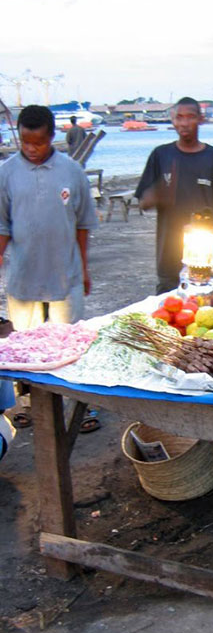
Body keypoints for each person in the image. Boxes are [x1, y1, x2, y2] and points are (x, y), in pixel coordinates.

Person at [0, 104, 99, 430]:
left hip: (64, 274)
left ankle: (80, 408)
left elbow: (83, 224)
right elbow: (2, 226)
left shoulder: (71, 171)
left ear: (52, 137)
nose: (32, 149)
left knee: (70, 343)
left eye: (39, 143)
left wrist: (83, 268)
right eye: (26, 142)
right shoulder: (6, 173)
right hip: (24, 276)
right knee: (25, 347)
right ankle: (30, 404)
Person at [136, 96, 213, 294]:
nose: (184, 123)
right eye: (179, 117)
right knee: (170, 308)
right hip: (169, 259)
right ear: (173, 120)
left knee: (209, 305)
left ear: (200, 119)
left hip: (208, 259)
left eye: (190, 117)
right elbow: (143, 203)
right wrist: (158, 194)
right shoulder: (161, 155)